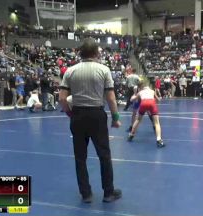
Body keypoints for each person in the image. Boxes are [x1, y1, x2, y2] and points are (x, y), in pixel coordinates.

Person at [59, 38, 122, 204]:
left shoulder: (70, 71)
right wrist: (115, 118)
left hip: (78, 116)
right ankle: (108, 193)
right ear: (96, 53)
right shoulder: (103, 69)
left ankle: (85, 194)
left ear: (80, 53)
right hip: (96, 116)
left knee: (80, 157)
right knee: (104, 155)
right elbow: (111, 98)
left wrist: (70, 114)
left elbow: (62, 98)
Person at [128, 80, 165, 148]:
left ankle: (131, 135)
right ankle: (159, 140)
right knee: (157, 123)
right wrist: (160, 98)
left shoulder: (140, 92)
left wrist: (134, 95)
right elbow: (158, 100)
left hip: (143, 103)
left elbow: (132, 100)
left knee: (138, 120)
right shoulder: (152, 91)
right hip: (151, 103)